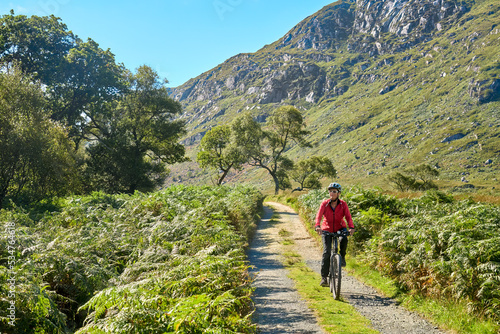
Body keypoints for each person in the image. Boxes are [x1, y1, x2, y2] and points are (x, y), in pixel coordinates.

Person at [315, 182, 355, 287]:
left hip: (340, 227)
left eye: (334, 191)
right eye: (330, 191)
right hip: (327, 229)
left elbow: (348, 217)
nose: (331, 193)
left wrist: (351, 227)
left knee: (344, 239)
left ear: (338, 193)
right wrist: (317, 226)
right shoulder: (325, 204)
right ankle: (324, 278)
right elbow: (318, 216)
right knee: (327, 252)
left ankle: (342, 256)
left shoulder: (343, 204)